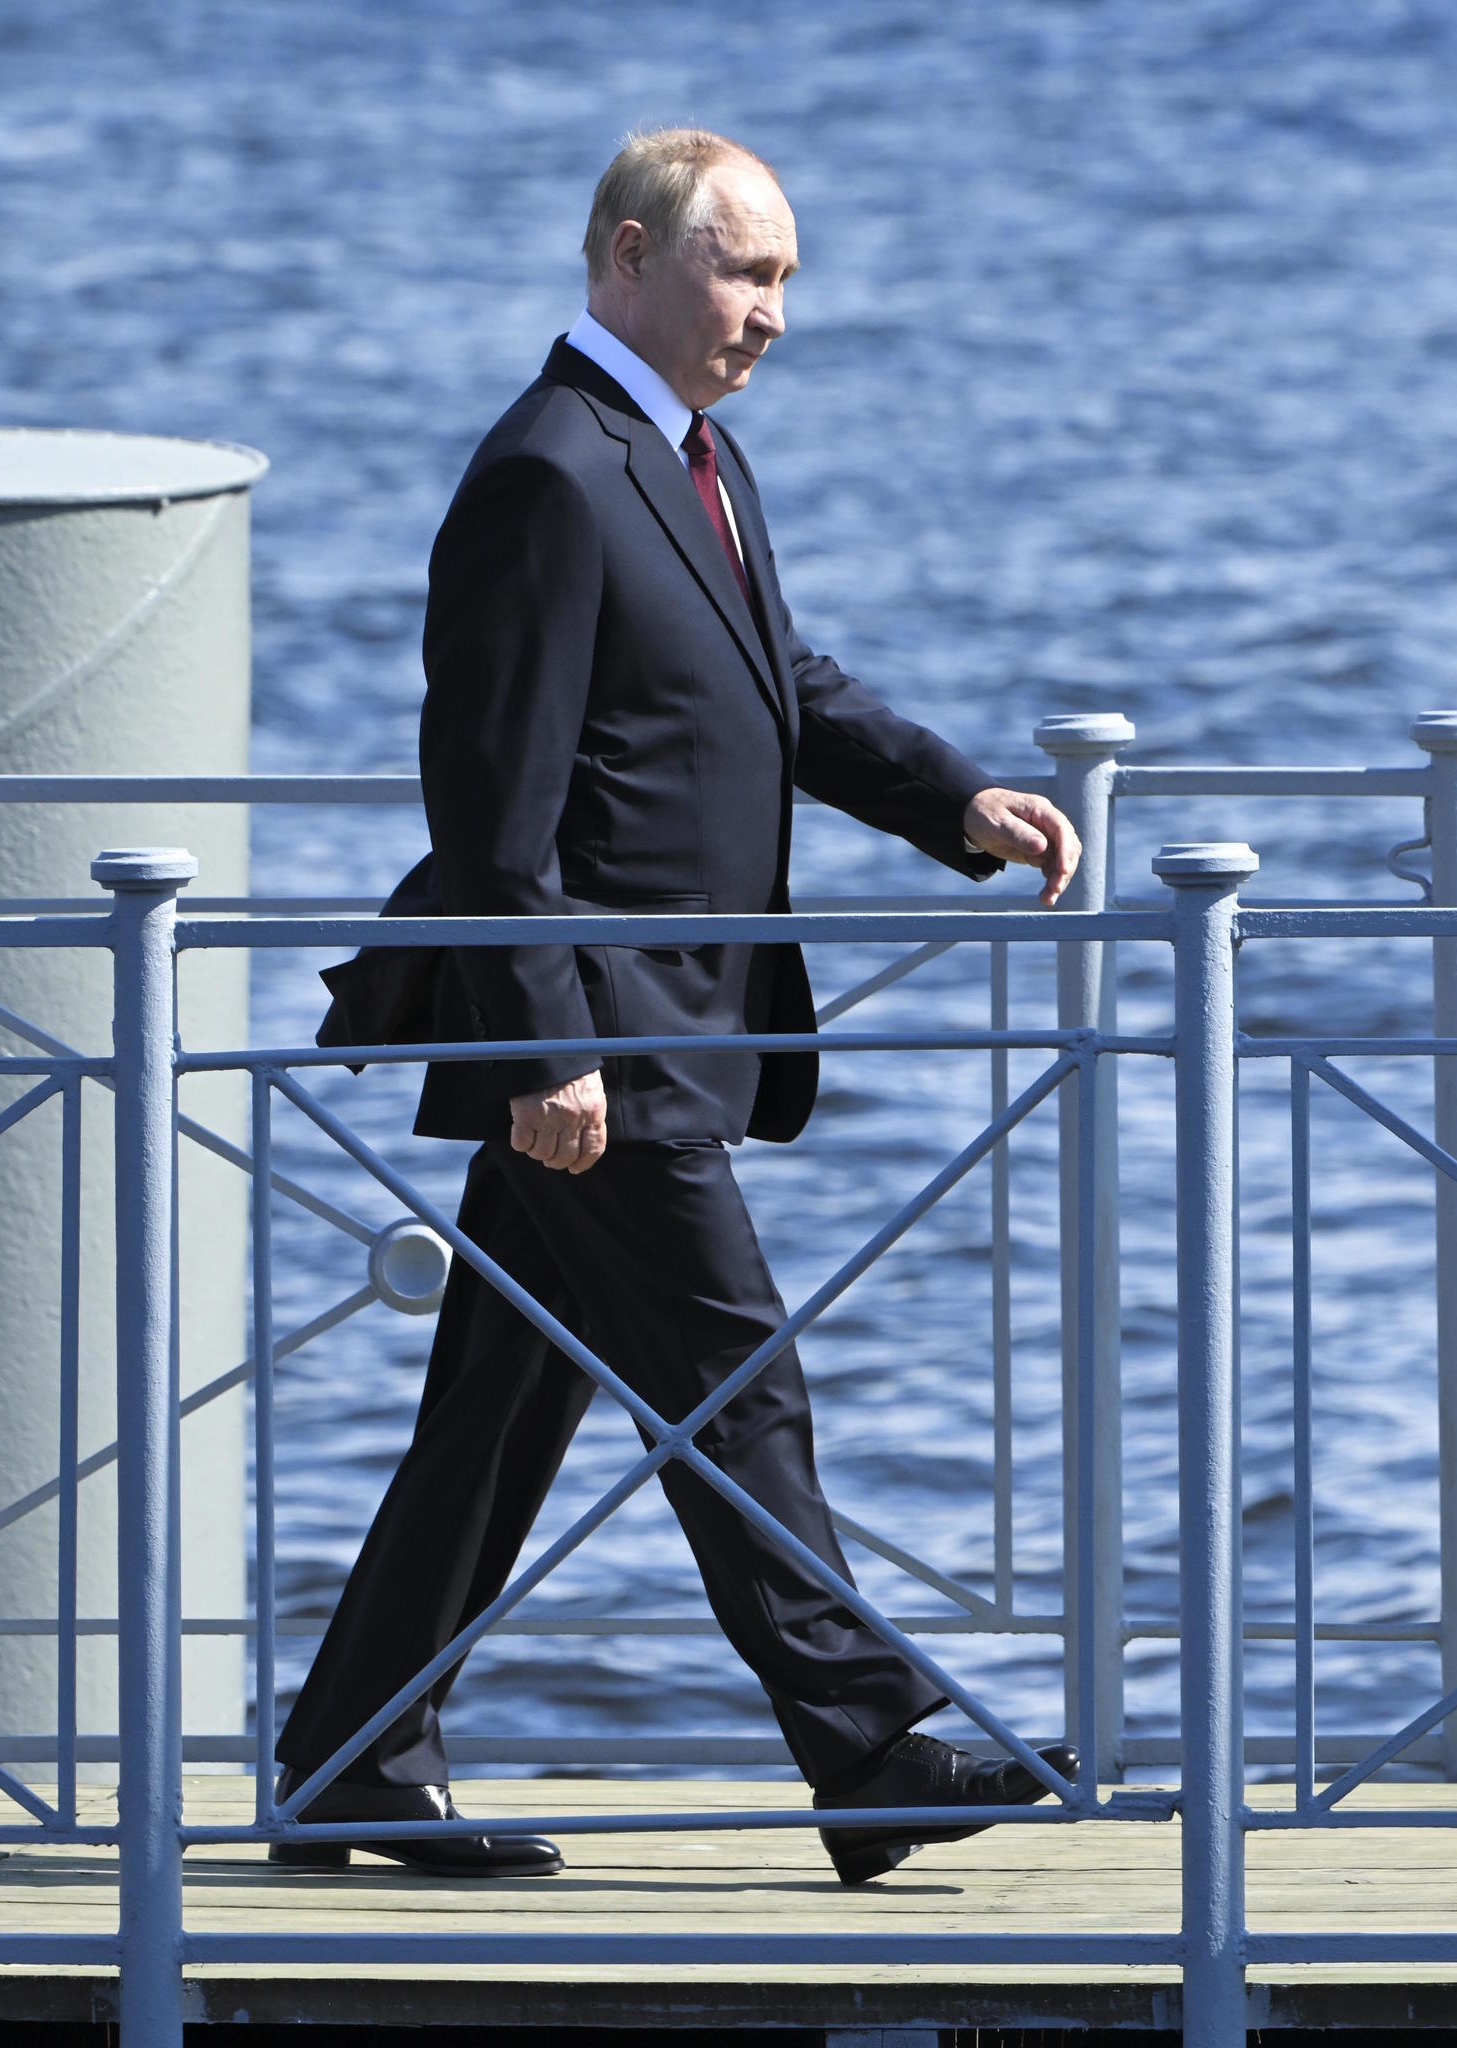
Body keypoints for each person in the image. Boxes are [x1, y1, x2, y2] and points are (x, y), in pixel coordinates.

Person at [276, 128, 1081, 1885]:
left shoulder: (687, 458)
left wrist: (951, 799)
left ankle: (347, 1757)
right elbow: (494, 807)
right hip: (604, 1036)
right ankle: (868, 1752)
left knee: (499, 1407)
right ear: (629, 256)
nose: (775, 312)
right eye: (747, 271)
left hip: (652, 1020)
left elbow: (774, 681)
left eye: (787, 277)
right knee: (739, 1373)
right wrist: (545, 1044)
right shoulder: (552, 474)